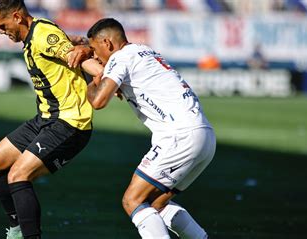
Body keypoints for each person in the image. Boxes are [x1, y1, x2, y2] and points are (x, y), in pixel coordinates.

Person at [69, 18, 216, 238]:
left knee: (132, 200)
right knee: (156, 205)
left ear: (108, 43)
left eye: (96, 50)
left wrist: (95, 78)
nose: (97, 57)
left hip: (179, 136)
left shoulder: (120, 58)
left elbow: (98, 102)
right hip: (204, 135)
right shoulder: (144, 51)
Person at [0, 1, 101, 239]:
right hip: (46, 118)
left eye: (2, 25)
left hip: (70, 123)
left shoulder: (43, 34)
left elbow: (75, 57)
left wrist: (101, 73)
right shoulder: (37, 31)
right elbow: (67, 43)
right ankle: (17, 229)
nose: (1, 31)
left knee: (18, 176)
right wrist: (80, 42)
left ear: (17, 16)